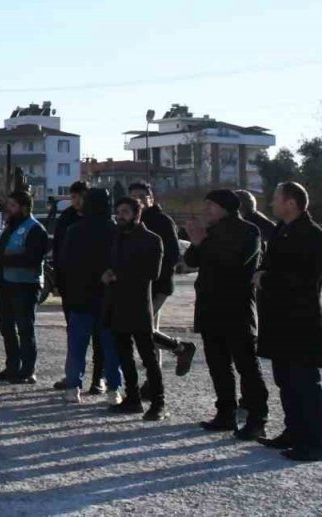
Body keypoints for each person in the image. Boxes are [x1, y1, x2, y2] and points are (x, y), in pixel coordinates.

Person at [183, 189, 268, 439]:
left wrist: (202, 242)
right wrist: (197, 243)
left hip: (236, 307)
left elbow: (233, 261)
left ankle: (257, 418)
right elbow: (192, 260)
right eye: (205, 204)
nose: (206, 210)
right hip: (210, 308)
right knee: (218, 364)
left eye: (211, 205)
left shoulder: (249, 231)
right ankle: (225, 413)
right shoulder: (209, 231)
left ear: (227, 207)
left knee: (246, 365)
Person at [255, 181, 322, 462]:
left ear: (291, 203)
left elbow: (304, 278)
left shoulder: (310, 234)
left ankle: (315, 441)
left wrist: (266, 278)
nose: (272, 203)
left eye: (276, 198)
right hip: (281, 318)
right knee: (285, 380)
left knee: (304, 381)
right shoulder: (284, 230)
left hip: (300, 320)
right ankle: (294, 431)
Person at [56, 187, 123, 405]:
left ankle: (73, 386)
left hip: (80, 293)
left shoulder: (75, 230)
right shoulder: (115, 230)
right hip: (108, 295)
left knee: (76, 345)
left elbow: (65, 262)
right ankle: (113, 388)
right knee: (110, 347)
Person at [104, 197, 167, 421]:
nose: (120, 216)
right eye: (118, 211)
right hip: (117, 304)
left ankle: (158, 403)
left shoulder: (152, 239)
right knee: (124, 356)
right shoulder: (117, 236)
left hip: (139, 306)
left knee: (148, 358)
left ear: (136, 214)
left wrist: (119, 274)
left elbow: (152, 272)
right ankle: (133, 398)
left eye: (125, 212)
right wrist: (109, 273)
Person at [129, 182, 197, 381]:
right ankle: (153, 381)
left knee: (141, 329)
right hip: (138, 287)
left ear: (152, 198)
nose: (138, 200)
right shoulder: (131, 220)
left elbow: (172, 255)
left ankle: (181, 348)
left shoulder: (162, 221)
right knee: (149, 332)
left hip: (158, 286)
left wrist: (150, 274)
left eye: (142, 196)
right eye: (134, 197)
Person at [0, 190, 48, 384]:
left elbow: (31, 259)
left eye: (13, 206)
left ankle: (28, 370)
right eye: (9, 206)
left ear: (24, 207)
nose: (9, 209)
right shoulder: (10, 228)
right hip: (6, 283)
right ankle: (12, 366)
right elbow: (1, 250)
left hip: (25, 285)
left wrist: (3, 260)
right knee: (6, 327)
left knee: (24, 328)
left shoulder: (35, 229)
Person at [51, 182, 104, 393]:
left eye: (80, 197)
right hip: (73, 286)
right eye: (73, 198)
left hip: (99, 288)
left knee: (100, 336)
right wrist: (59, 281)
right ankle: (73, 376)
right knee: (74, 334)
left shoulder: (102, 221)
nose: (77, 202)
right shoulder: (67, 219)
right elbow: (58, 253)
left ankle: (98, 378)